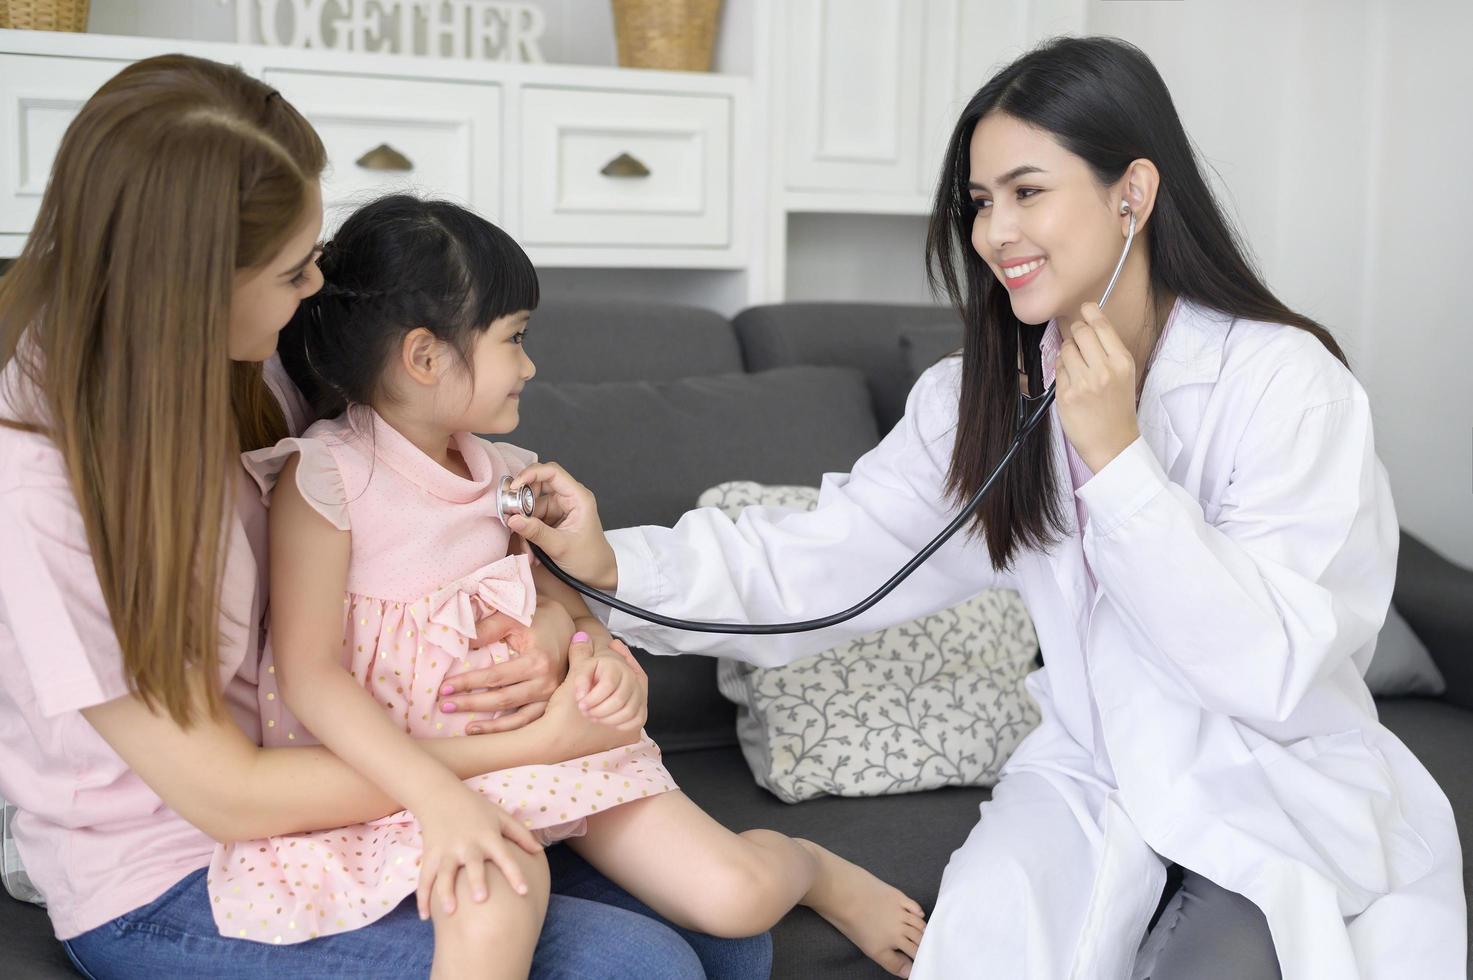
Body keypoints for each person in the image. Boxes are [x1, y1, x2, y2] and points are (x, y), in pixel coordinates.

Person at [501, 36, 1467, 979]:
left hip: (1274, 783)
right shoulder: (987, 396)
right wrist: (609, 567)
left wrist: (1116, 458)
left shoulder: (1286, 386)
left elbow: (1272, 667)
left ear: (1131, 192)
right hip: (1089, 780)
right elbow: (822, 556)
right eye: (979, 202)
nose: (993, 231)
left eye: (1027, 191)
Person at [0, 54, 770, 979]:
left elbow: (450, 535)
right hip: (177, 869)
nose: (318, 289)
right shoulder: (40, 489)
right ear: (190, 287)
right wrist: (525, 746)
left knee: (731, 934)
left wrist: (567, 635)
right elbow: (232, 796)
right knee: (632, 966)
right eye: (294, 269)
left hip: (360, 791)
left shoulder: (258, 361)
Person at [239, 192, 927, 977]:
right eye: (515, 339)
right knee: (493, 900)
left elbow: (553, 594)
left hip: (555, 754)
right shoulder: (324, 478)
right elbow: (308, 673)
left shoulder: (505, 472)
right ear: (425, 357)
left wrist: (588, 646)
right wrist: (433, 792)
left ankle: (810, 866)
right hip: (406, 781)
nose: (530, 365)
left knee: (734, 900)